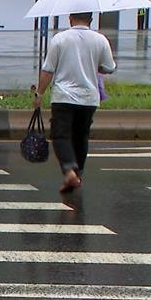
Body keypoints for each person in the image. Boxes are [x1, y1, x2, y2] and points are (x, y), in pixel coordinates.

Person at [33, 12, 116, 194]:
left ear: (70, 19)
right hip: (89, 98)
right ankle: (77, 175)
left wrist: (39, 93)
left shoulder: (60, 39)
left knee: (61, 135)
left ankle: (69, 170)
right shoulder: (100, 40)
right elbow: (109, 67)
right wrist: (94, 64)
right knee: (81, 137)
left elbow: (48, 70)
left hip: (64, 96)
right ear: (91, 20)